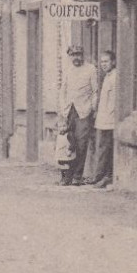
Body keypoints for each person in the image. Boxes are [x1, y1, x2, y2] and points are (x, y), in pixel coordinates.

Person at [57, 44, 98, 187]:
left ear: (83, 55)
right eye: (73, 55)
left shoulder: (91, 69)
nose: (76, 57)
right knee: (68, 144)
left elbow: (95, 91)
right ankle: (66, 176)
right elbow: (63, 90)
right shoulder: (68, 70)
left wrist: (91, 109)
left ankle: (77, 175)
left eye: (79, 54)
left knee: (81, 144)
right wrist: (63, 108)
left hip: (83, 111)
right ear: (70, 56)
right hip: (69, 111)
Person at [91, 50, 116, 189]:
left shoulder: (114, 77)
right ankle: (100, 176)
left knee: (105, 148)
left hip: (109, 120)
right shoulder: (108, 76)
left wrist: (108, 116)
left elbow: (113, 102)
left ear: (113, 62)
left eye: (106, 61)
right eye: (102, 62)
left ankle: (103, 177)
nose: (103, 64)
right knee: (102, 147)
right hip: (103, 119)